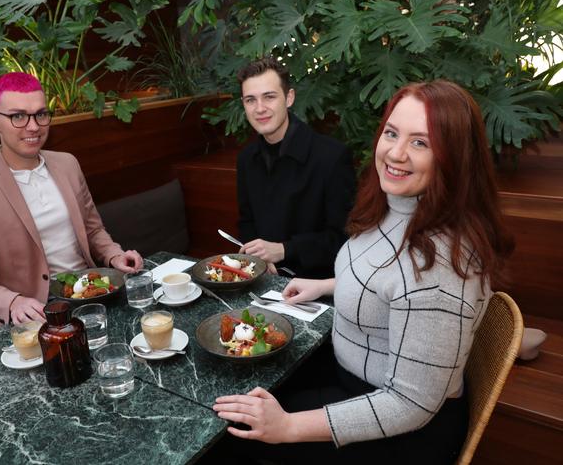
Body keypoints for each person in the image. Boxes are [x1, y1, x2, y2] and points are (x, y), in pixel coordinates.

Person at [211, 80, 514, 463]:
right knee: (241, 404)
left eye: (420, 142)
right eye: (391, 133)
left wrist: (287, 427)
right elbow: (390, 288)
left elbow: (409, 404)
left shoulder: (439, 268)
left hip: (403, 431)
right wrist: (324, 285)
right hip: (355, 380)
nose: (396, 153)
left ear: (454, 156)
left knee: (235, 441)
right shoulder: (397, 208)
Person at [0, 72, 143, 326]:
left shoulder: (67, 164)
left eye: (40, 114)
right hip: (34, 318)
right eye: (18, 116)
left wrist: (114, 256)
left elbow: (93, 229)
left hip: (91, 296)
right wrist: (12, 302)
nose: (33, 126)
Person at [236, 57, 356, 278]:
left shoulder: (332, 157)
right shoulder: (246, 159)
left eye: (269, 97)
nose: (260, 108)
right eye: (250, 100)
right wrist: (259, 260)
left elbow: (344, 238)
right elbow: (247, 222)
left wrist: (284, 250)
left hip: (317, 288)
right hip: (262, 278)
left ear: (289, 97)